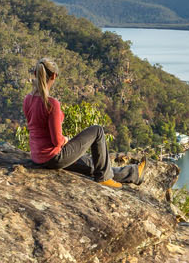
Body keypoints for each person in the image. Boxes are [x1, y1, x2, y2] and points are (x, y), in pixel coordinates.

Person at [22, 57, 143, 186]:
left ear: (35, 74)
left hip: (37, 157)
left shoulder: (27, 99)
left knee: (92, 164)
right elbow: (56, 141)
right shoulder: (52, 104)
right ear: (54, 76)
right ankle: (104, 178)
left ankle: (133, 173)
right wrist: (66, 140)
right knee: (97, 130)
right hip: (53, 158)